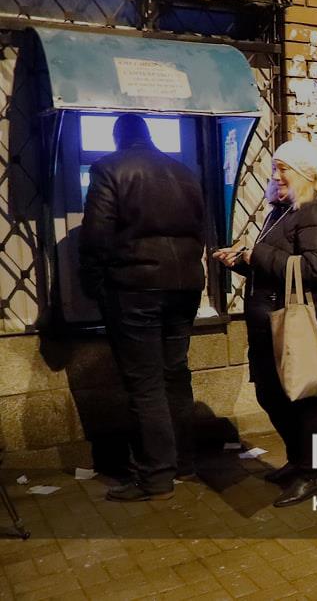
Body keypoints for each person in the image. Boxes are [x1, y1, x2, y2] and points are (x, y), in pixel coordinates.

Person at [79, 114, 206, 502]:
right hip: (185, 286)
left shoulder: (108, 168)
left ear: (117, 137)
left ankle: (156, 476)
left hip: (135, 289)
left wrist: (95, 284)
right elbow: (201, 229)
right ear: (149, 136)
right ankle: (184, 461)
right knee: (175, 374)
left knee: (145, 383)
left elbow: (96, 235)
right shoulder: (184, 172)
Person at [214, 139, 317, 508]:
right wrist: (242, 260)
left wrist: (258, 254)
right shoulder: (284, 210)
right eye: (274, 168)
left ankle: (311, 474)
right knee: (270, 395)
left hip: (295, 324)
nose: (276, 176)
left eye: (283, 169)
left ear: (304, 171)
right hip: (269, 323)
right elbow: (275, 268)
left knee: (302, 400)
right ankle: (297, 460)